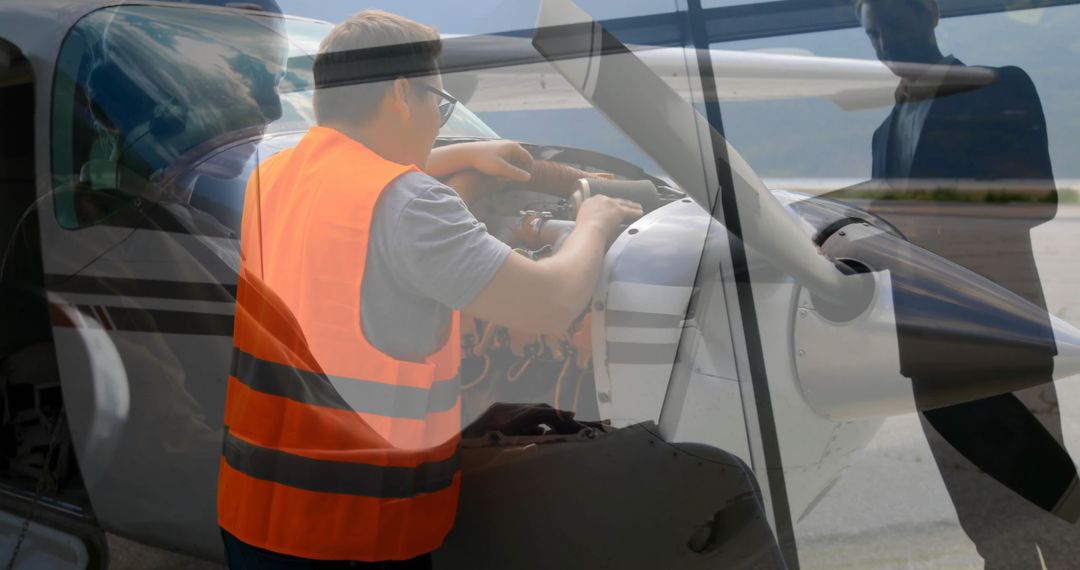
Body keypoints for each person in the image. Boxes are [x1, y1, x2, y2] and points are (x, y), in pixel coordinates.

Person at [216, 9, 643, 569]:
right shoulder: (412, 206)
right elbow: (550, 303)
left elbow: (366, 179)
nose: (439, 122)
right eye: (439, 104)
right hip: (349, 532)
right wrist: (595, 222)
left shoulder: (273, 178)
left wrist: (465, 155)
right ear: (400, 94)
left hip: (255, 510)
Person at [856, 0, 1080, 566]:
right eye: (873, 36)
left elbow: (1038, 201)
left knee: (1060, 514)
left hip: (1001, 336)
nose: (885, 48)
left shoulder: (999, 86)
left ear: (929, 13)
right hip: (927, 354)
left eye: (893, 27)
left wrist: (917, 224)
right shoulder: (884, 134)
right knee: (987, 530)